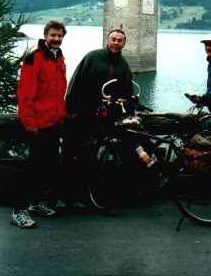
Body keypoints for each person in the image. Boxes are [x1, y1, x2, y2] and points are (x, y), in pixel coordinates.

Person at [63, 28, 134, 207]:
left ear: (124, 43)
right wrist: (70, 108)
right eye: (113, 39)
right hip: (84, 114)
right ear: (107, 40)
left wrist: (130, 110)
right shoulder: (93, 57)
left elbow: (128, 91)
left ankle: (88, 195)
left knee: (93, 155)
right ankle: (68, 196)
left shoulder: (123, 64)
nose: (116, 43)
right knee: (74, 154)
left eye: (120, 40)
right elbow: (75, 82)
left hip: (106, 117)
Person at [11, 20, 67, 229]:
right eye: (53, 35)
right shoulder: (34, 59)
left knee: (50, 166)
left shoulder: (58, 58)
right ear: (45, 36)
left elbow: (58, 93)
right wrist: (30, 123)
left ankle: (37, 202)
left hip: (53, 122)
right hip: (37, 124)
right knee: (32, 169)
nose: (56, 39)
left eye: (60, 36)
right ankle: (19, 210)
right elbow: (25, 95)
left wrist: (61, 115)